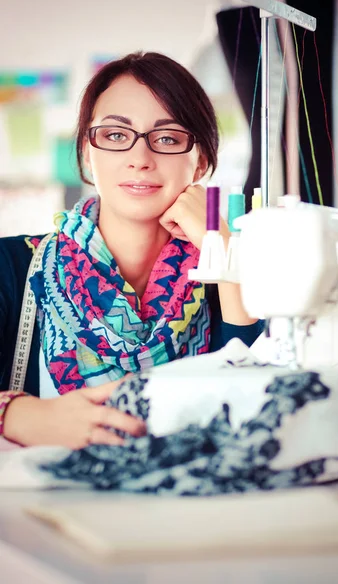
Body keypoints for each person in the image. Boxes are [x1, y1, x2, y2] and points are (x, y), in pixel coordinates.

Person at [0, 52, 263, 450]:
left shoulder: (226, 281)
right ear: (88, 153)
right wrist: (18, 415)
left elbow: (259, 410)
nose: (140, 159)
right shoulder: (11, 267)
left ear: (200, 162)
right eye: (116, 136)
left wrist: (223, 249)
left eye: (168, 138)